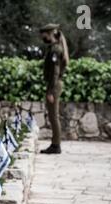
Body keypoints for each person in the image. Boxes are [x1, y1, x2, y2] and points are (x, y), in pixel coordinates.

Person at [39, 23, 69, 154]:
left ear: (50, 34)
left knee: (53, 116)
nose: (43, 37)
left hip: (54, 85)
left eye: (44, 34)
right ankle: (55, 144)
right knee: (53, 116)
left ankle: (56, 145)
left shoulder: (55, 49)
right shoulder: (54, 48)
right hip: (54, 84)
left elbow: (55, 72)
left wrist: (50, 90)